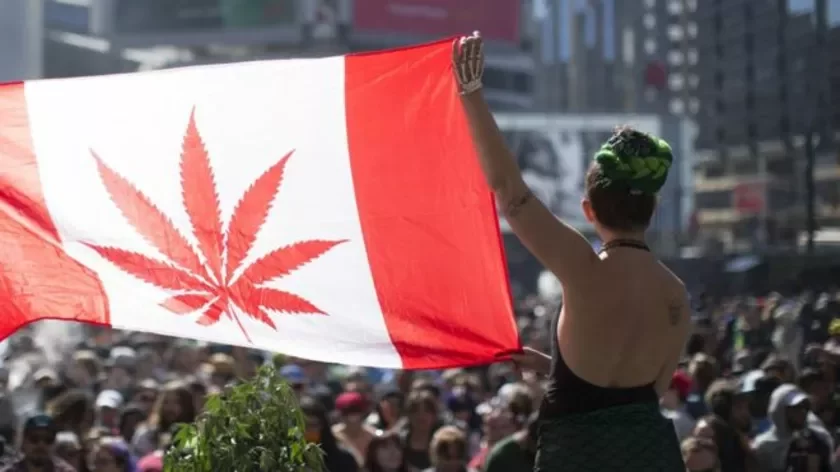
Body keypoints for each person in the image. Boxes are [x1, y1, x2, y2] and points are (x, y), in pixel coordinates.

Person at [452, 32, 689, 470]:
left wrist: (470, 94)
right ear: (653, 208)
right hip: (652, 456)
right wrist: (553, 366)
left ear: (588, 210)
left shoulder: (583, 269)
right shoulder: (676, 295)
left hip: (576, 455)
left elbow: (510, 193)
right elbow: (639, 397)